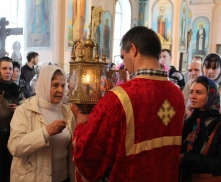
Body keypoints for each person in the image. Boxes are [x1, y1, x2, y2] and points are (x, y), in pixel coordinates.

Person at [72, 26, 185, 182]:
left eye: (123, 56)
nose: (124, 64)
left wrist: (79, 125)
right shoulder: (177, 94)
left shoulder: (120, 97)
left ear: (133, 49)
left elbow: (87, 154)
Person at [8, 65, 75, 182]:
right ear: (44, 84)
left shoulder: (67, 112)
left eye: (63, 86)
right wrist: (46, 132)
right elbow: (14, 146)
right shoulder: (24, 110)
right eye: (55, 85)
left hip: (63, 178)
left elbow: (72, 149)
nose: (60, 90)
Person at [180, 76, 221, 181]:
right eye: (191, 92)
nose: (192, 97)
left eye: (198, 93)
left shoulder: (218, 124)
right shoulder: (193, 119)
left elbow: (218, 162)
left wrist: (186, 158)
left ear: (210, 96)